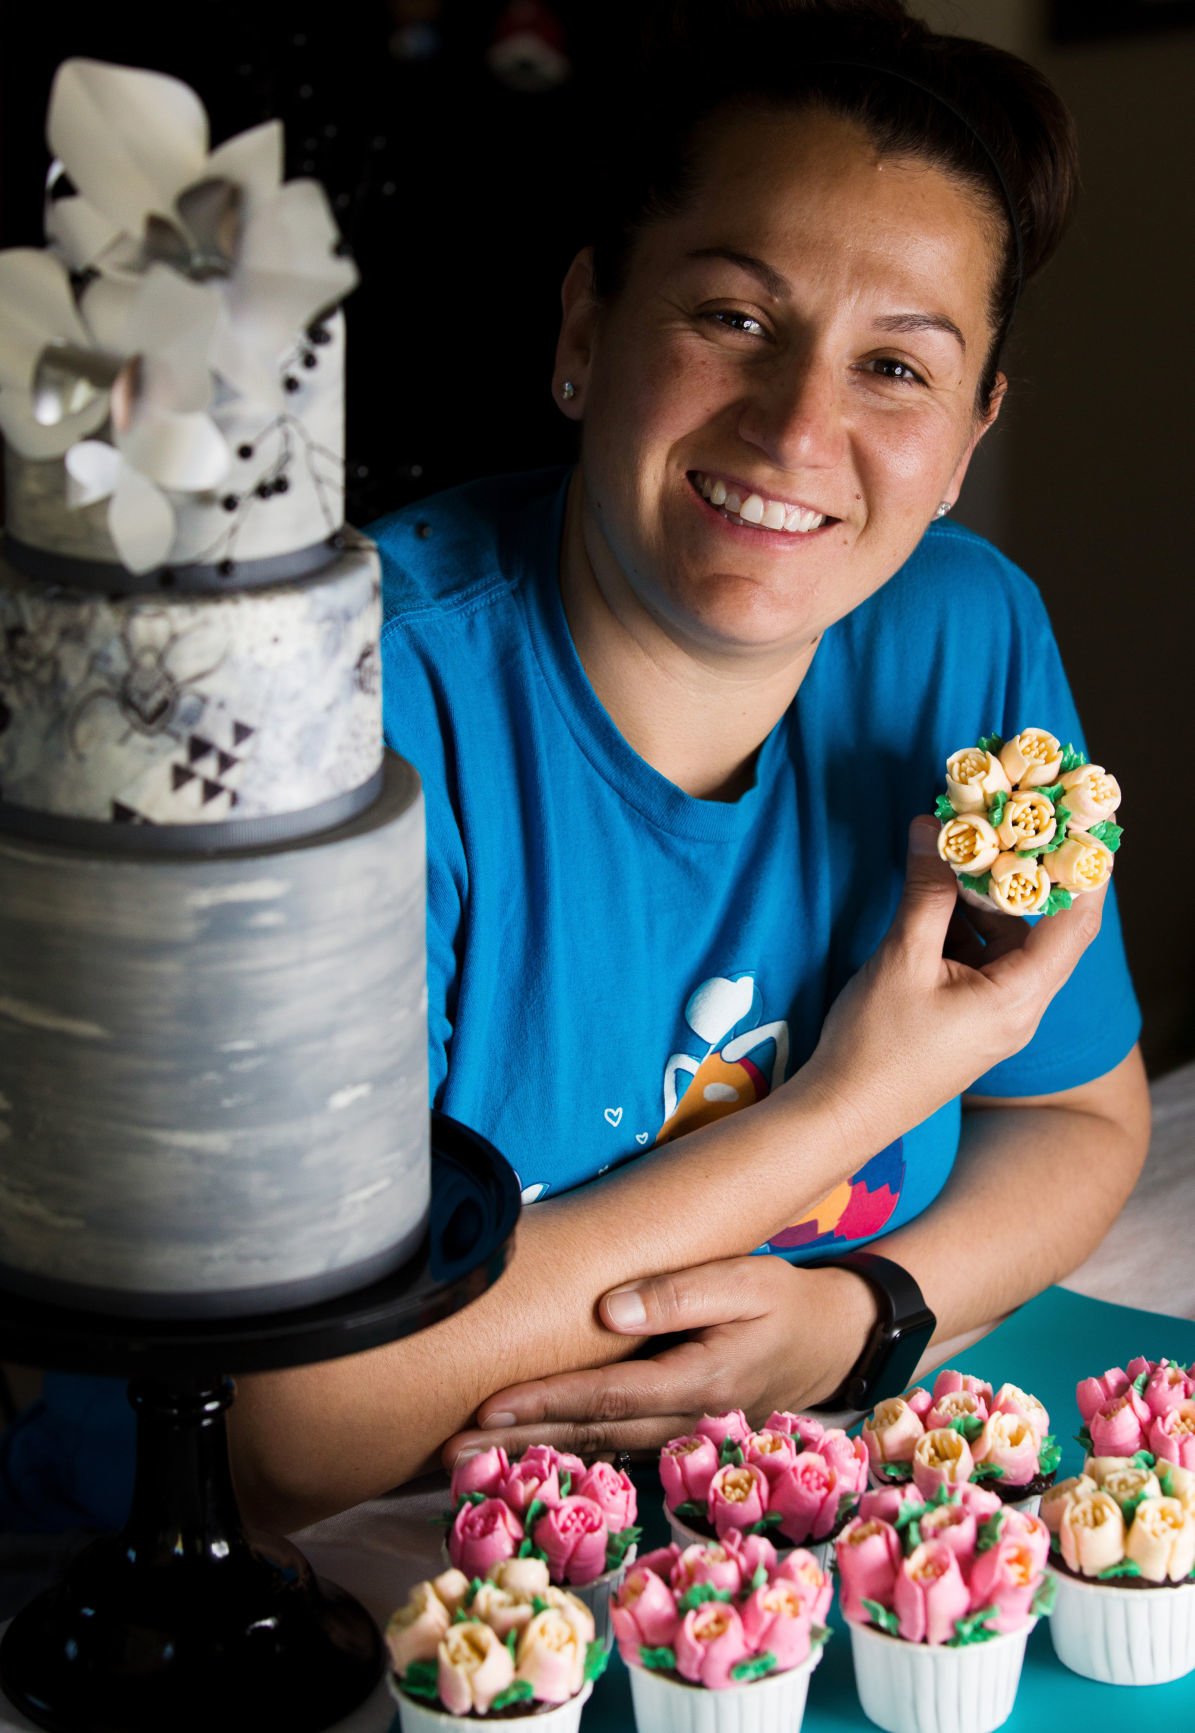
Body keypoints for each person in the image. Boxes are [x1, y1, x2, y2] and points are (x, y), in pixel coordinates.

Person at [218, 0, 1151, 1533]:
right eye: (734, 318)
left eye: (898, 369)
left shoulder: (965, 637)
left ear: (973, 431)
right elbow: (304, 1429)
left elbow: (1078, 1119)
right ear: (586, 327)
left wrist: (861, 1324)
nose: (797, 430)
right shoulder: (352, 698)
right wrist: (855, 1099)